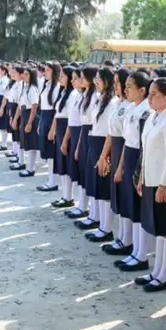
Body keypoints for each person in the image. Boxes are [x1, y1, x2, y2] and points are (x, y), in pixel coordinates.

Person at [133, 77, 166, 279]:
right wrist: (142, 179)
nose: (150, 97)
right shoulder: (153, 116)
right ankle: (156, 272)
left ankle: (164, 276)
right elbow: (146, 151)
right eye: (150, 93)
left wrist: (163, 186)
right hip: (150, 180)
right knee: (158, 230)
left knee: (165, 231)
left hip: (165, 182)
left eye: (155, 94)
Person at [112, 71, 152, 265]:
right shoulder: (131, 108)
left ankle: (141, 254)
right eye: (125, 86)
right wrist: (120, 167)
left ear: (142, 90)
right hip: (128, 155)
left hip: (139, 158)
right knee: (129, 205)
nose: (125, 89)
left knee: (138, 208)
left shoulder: (147, 111)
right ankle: (132, 248)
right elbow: (127, 141)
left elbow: (143, 146)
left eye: (129, 87)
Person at [99, 68, 132, 251]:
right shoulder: (119, 103)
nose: (118, 87)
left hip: (124, 152)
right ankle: (121, 237)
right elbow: (111, 133)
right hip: (115, 148)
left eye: (120, 83)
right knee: (117, 196)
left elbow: (129, 138)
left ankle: (127, 240)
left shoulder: (131, 107)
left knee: (126, 198)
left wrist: (119, 165)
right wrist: (104, 155)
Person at [84, 67, 119, 242]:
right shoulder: (99, 99)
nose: (95, 82)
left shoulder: (113, 102)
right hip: (95, 142)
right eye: (95, 79)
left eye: (99, 79)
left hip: (105, 146)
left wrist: (104, 155)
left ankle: (107, 229)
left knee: (104, 189)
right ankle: (100, 224)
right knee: (96, 186)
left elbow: (110, 132)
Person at [73, 67, 98, 227]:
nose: (80, 80)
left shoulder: (95, 96)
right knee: (84, 172)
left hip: (91, 132)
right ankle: (83, 206)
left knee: (91, 176)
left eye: (83, 77)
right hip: (85, 131)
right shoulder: (84, 94)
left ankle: (93, 214)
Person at [49, 66, 75, 208]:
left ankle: (68, 197)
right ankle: (65, 196)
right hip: (60, 127)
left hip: (66, 128)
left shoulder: (72, 94)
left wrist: (65, 138)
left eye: (63, 76)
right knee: (61, 164)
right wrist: (53, 130)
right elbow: (57, 113)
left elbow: (71, 118)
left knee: (66, 164)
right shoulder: (63, 92)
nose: (60, 78)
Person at [62, 68, 87, 218]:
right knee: (77, 172)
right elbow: (71, 121)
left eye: (77, 78)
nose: (74, 81)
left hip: (81, 133)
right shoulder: (77, 95)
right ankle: (80, 204)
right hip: (75, 132)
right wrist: (66, 140)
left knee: (83, 173)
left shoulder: (87, 97)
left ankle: (83, 206)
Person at [36, 62, 61, 188]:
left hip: (51, 119)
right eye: (44, 70)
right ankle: (50, 179)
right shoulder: (47, 85)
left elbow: (56, 110)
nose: (45, 72)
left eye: (47, 70)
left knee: (51, 153)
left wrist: (52, 128)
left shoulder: (56, 87)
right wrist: (41, 123)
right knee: (46, 151)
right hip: (44, 117)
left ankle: (53, 182)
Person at [12, 67, 40, 176]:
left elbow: (34, 106)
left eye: (27, 74)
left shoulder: (32, 89)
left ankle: (30, 169)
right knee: (26, 143)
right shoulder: (24, 88)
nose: (24, 76)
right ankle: (28, 166)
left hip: (30, 116)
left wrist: (29, 123)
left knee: (31, 145)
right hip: (24, 114)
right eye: (23, 74)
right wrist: (15, 119)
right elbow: (20, 105)